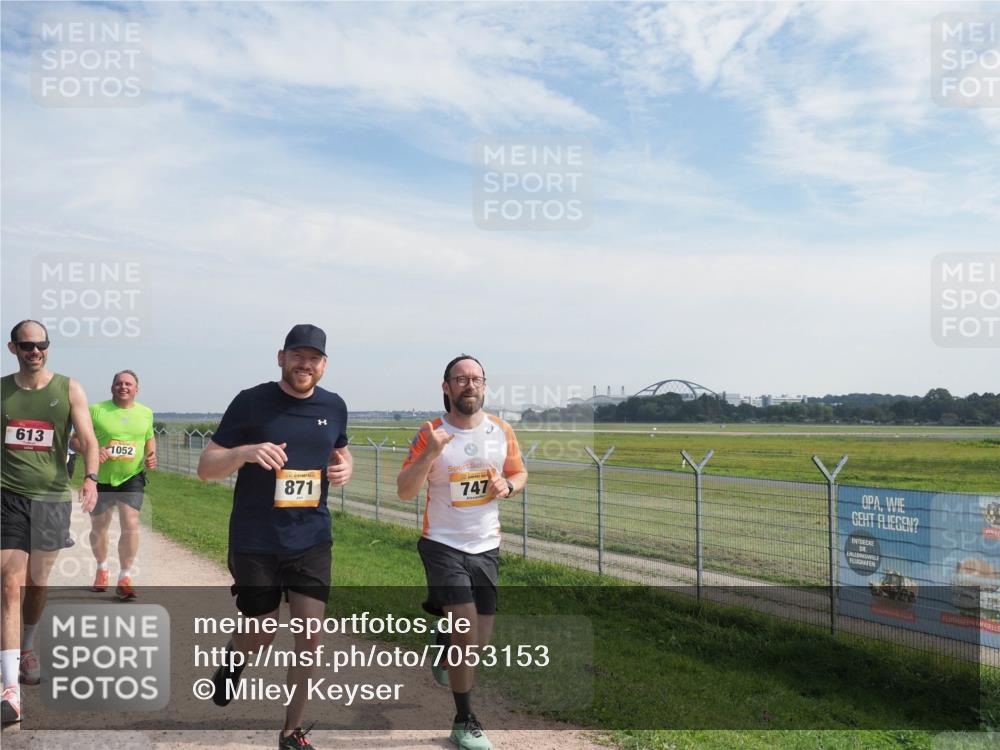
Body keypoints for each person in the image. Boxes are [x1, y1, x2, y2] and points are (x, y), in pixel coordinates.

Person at [197, 324, 352, 750]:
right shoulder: (251, 402)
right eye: (297, 355)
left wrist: (346, 466)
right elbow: (206, 467)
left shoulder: (335, 406)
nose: (305, 364)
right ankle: (234, 660)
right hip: (256, 540)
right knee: (262, 631)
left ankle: (291, 733)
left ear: (324, 364)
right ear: (280, 357)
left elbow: (339, 449)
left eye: (313, 358)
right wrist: (243, 453)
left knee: (309, 635)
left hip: (312, 538)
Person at [396, 354, 527, 750]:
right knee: (467, 629)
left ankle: (444, 640)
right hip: (442, 544)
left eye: (476, 379)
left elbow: (519, 473)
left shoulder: (501, 430)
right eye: (461, 379)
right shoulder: (430, 432)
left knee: (478, 642)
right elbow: (405, 491)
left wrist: (508, 486)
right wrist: (429, 454)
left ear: (484, 385)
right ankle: (464, 719)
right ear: (446, 387)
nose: (470, 385)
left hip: (486, 545)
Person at [1, 320, 99, 724]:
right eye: (26, 346)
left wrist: (90, 479)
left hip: (51, 498)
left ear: (48, 347)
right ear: (13, 348)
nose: (34, 351)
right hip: (7, 495)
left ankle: (27, 646)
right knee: (9, 582)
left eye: (40, 344)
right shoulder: (2, 389)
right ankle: (9, 691)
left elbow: (89, 439)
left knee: (37, 584)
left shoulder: (68, 388)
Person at [72, 369, 156, 600]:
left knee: (130, 523)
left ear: (136, 389)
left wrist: (151, 455)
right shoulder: (96, 411)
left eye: (128, 384)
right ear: (112, 388)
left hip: (132, 477)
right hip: (101, 477)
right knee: (100, 526)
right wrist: (93, 450)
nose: (123, 387)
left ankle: (125, 577)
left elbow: (148, 437)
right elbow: (74, 440)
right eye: (118, 383)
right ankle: (102, 569)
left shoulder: (146, 413)